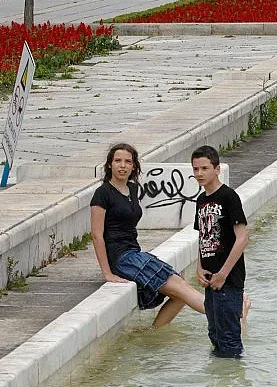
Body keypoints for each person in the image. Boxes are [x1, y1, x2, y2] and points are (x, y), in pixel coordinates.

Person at [90, 143, 207, 327]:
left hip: (134, 253)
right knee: (182, 289)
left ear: (134, 166)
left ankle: (152, 333)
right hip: (121, 258)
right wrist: (107, 273)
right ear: (109, 165)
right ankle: (230, 315)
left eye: (128, 161)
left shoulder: (133, 188)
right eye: (118, 161)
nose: (122, 165)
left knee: (180, 292)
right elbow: (97, 236)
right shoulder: (102, 193)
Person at [192, 145, 250, 358]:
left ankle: (233, 386)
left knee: (229, 340)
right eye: (196, 169)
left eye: (204, 168)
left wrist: (223, 275)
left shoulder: (228, 197)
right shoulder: (201, 200)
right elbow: (202, 236)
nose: (199, 173)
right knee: (214, 334)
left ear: (216, 169)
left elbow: (242, 238)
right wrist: (199, 268)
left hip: (229, 280)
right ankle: (217, 386)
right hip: (210, 279)